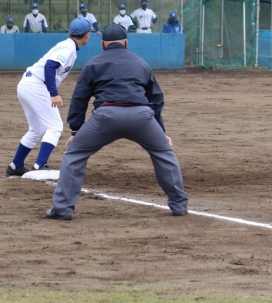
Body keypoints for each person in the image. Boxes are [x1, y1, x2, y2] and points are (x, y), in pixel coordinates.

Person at [45, 23, 189, 220]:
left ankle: (62, 209)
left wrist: (76, 131)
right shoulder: (141, 63)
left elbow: (80, 99)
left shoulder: (93, 63)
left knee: (75, 154)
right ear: (126, 43)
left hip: (106, 117)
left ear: (103, 44)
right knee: (164, 153)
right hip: (142, 118)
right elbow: (156, 99)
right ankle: (179, 205)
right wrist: (160, 132)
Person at [6, 18, 91, 176]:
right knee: (55, 126)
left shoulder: (67, 45)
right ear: (87, 35)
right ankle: (40, 165)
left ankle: (15, 166)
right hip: (37, 86)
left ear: (70, 32)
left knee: (36, 129)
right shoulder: (69, 47)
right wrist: (54, 94)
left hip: (27, 84)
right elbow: (50, 66)